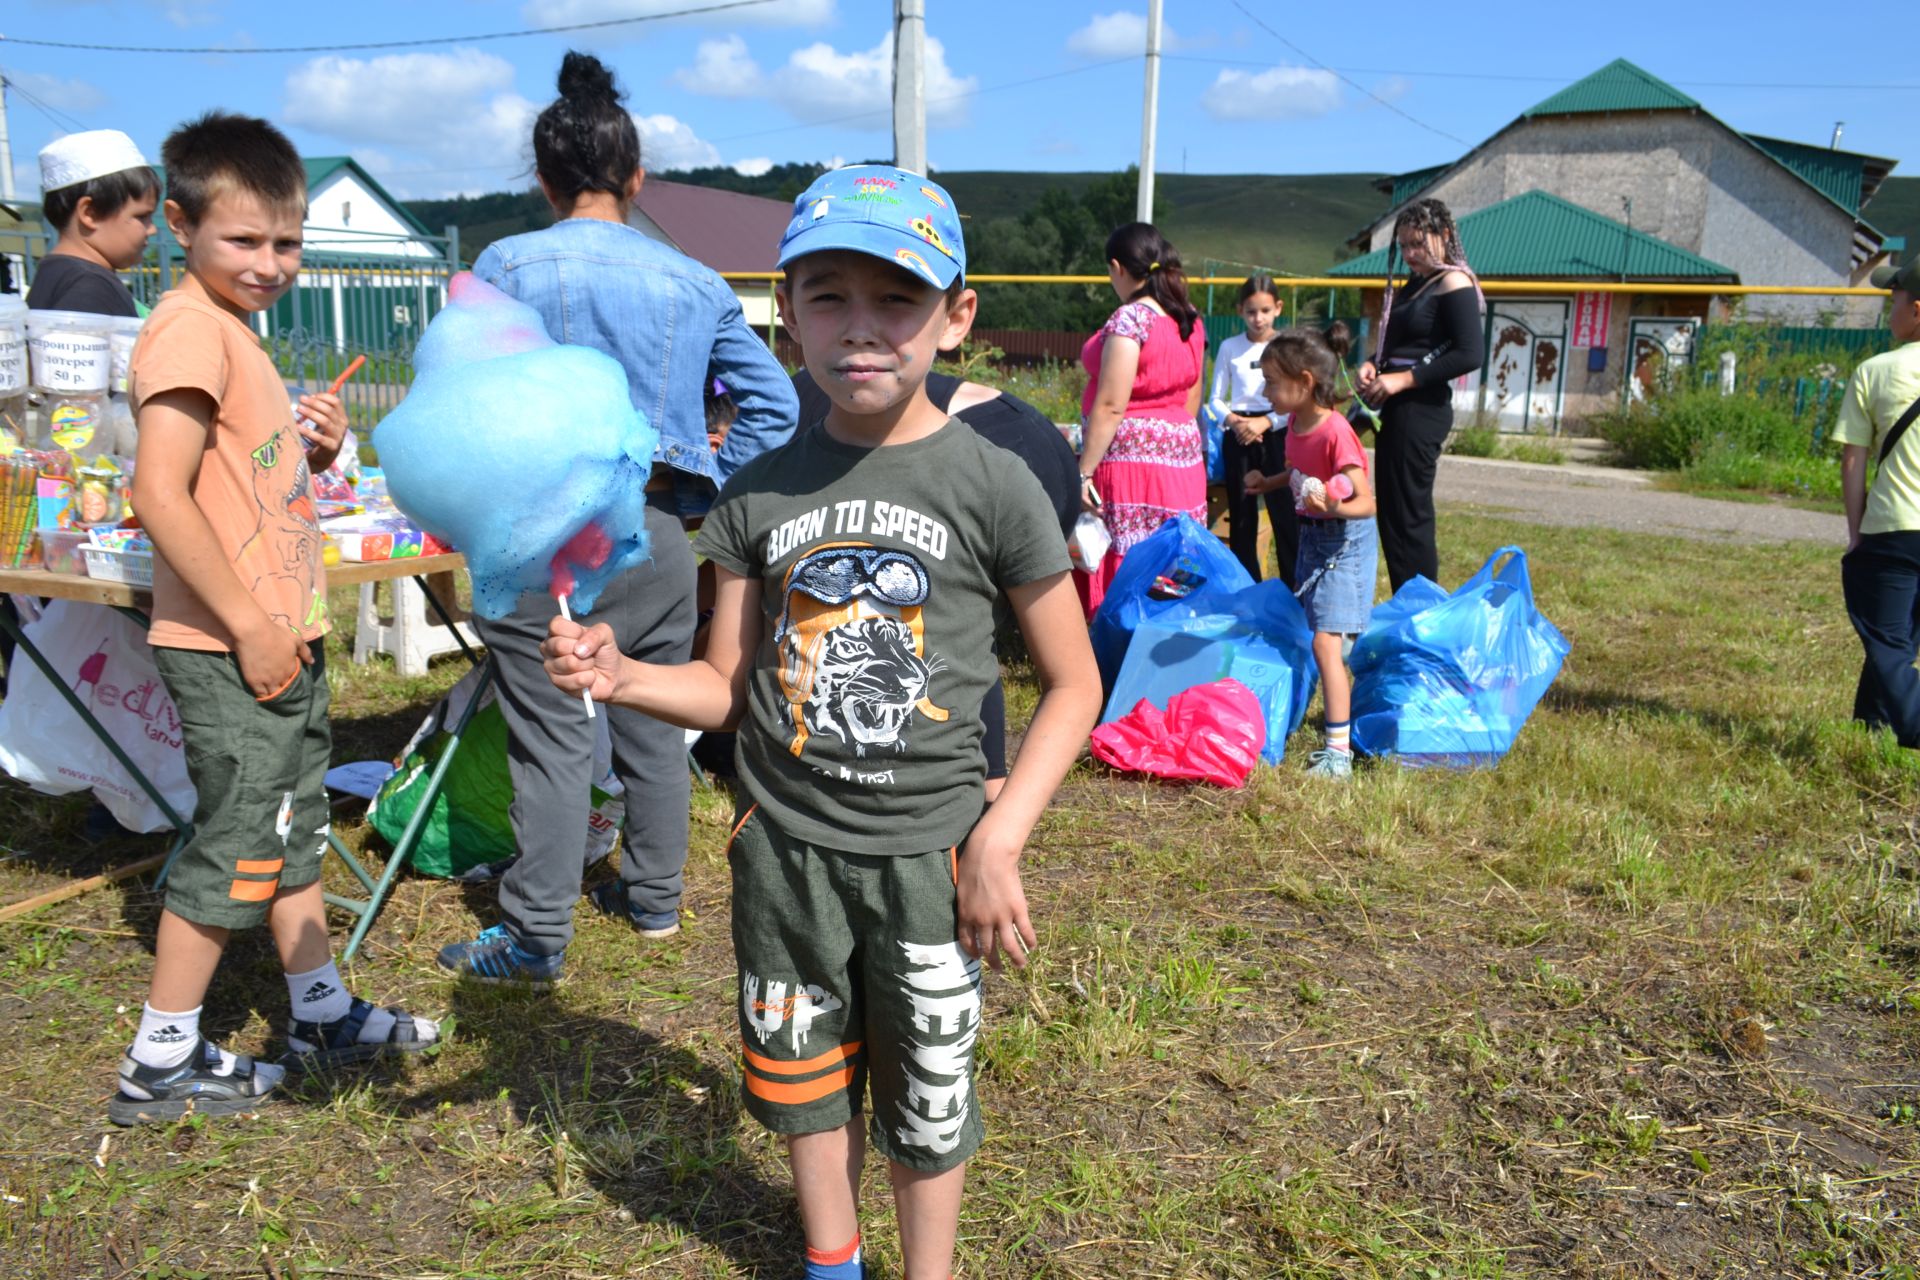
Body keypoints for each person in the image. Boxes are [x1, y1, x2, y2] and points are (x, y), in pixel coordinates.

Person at [543, 164, 1102, 1280]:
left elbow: (1075, 683)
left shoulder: (994, 483)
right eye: (827, 297)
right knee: (805, 1080)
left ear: (956, 316)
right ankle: (831, 1260)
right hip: (786, 856)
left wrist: (998, 838)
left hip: (931, 864)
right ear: (785, 311)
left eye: (896, 300)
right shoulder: (757, 488)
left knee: (928, 1097)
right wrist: (621, 676)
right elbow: (722, 681)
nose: (860, 330)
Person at [434, 53, 797, 986]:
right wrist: (701, 484)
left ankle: (535, 937)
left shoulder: (505, 265)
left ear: (545, 180)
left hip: (545, 536)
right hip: (659, 529)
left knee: (551, 735)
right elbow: (776, 410)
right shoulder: (697, 280)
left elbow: (462, 405)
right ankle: (655, 899)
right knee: (651, 715)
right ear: (636, 180)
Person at [114, 112, 439, 1126]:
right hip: (229, 644)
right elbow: (158, 492)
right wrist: (252, 625)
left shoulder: (235, 335)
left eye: (286, 243)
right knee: (238, 841)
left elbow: (244, 486)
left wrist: (322, 451)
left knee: (291, 832)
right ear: (179, 224)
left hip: (279, 639)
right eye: (244, 241)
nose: (270, 263)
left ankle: (320, 1010)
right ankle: (161, 1059)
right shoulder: (185, 330)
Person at [792, 365, 1080, 802]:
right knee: (973, 633)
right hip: (1042, 440)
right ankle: (989, 786)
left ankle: (986, 791)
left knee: (958, 630)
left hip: (1001, 442)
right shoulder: (817, 386)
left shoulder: (796, 409)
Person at [1245, 324, 1378, 780]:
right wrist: (1270, 482)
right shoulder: (1296, 424)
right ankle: (1343, 657)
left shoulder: (1335, 430)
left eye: (1271, 382)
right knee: (1319, 633)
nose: (1265, 391)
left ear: (1303, 382)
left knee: (1324, 640)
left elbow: (1366, 501)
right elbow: (1299, 471)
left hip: (1344, 542)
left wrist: (1335, 504)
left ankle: (1338, 752)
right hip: (1313, 535)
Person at [1075, 222, 1207, 616]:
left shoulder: (1131, 320)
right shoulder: (1188, 318)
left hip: (1133, 462)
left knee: (1131, 555)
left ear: (1117, 267)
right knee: (1175, 557)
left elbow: (1112, 404)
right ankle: (1166, 642)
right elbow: (1193, 392)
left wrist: (1082, 473)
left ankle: (1124, 645)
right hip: (1181, 456)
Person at [1356, 198, 1485, 592]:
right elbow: (1397, 346)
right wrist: (1373, 366)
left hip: (1420, 411)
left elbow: (1470, 352)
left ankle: (1422, 610)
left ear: (1444, 235)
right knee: (1392, 515)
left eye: (1418, 243)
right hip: (1391, 408)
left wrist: (1403, 380)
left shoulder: (1454, 282)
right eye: (1404, 246)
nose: (1410, 254)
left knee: (1410, 516)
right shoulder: (1415, 285)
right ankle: (1403, 604)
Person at [1838, 254, 1920, 745]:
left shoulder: (1875, 371)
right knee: (1901, 637)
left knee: (1887, 640)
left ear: (1918, 311)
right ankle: (1870, 729)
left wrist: (1855, 533)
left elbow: (1854, 460)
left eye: (1896, 302)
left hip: (1892, 529)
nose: (1889, 312)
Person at [1208, 274, 1297, 586]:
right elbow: (1216, 399)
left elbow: (1296, 399)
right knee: (1242, 517)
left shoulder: (1286, 346)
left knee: (1284, 512)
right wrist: (1235, 422)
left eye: (1265, 311)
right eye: (1250, 311)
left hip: (1276, 430)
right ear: (1240, 311)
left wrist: (1267, 421)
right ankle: (1249, 589)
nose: (1258, 318)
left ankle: (1293, 588)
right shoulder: (1230, 347)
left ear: (1277, 309)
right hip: (1240, 434)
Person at [27, 129, 158, 317]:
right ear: (90, 213)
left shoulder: (56, 274)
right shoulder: (88, 287)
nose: (152, 229)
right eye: (141, 216)